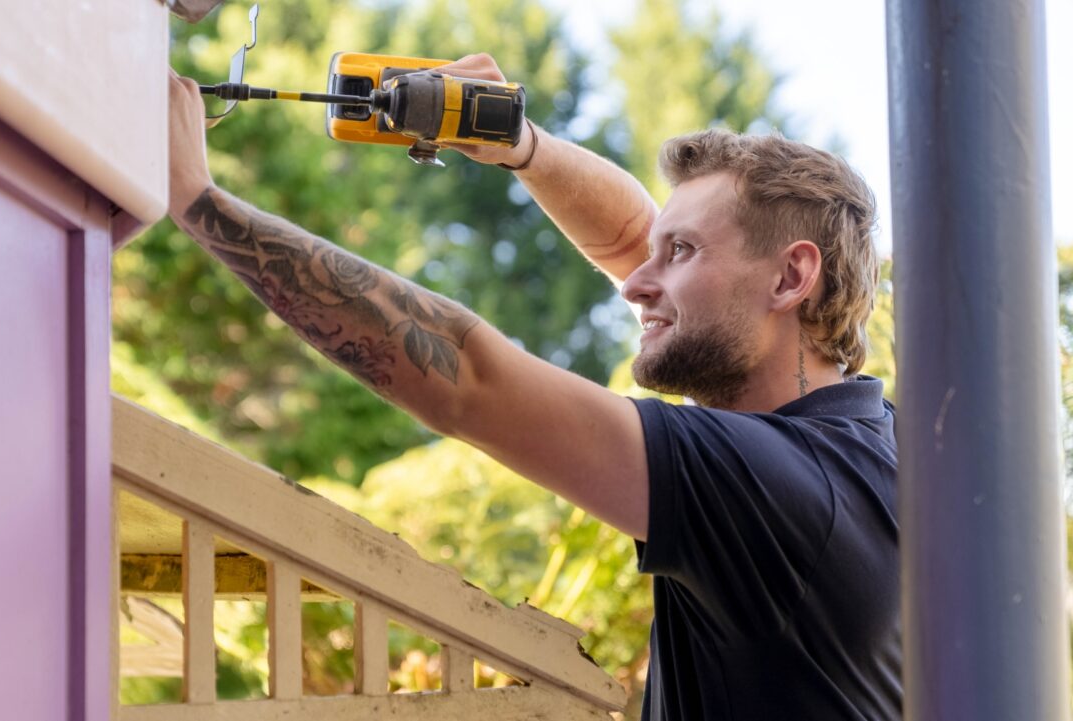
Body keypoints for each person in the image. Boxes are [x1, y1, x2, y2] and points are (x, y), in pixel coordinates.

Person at [165, 52, 899, 721]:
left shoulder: (776, 488)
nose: (637, 285)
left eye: (680, 251)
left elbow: (471, 381)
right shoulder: (870, 455)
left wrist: (197, 200)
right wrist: (523, 145)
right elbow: (626, 238)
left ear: (791, 276)